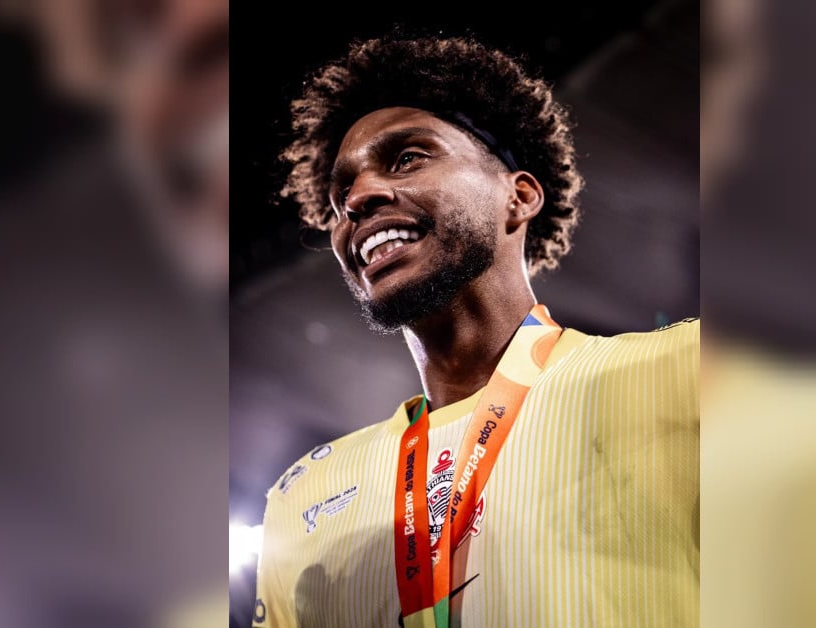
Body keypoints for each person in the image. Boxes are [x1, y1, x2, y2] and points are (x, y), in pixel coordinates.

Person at [254, 33, 699, 628]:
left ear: (519, 196)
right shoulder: (302, 495)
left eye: (408, 158)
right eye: (340, 197)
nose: (358, 198)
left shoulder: (686, 371)